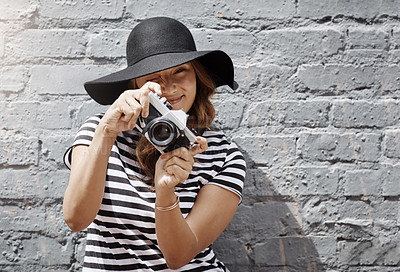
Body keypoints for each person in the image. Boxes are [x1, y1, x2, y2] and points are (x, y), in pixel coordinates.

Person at [63, 17, 246, 271]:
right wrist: (107, 130)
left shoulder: (224, 154)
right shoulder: (102, 129)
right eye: (154, 76)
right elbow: (76, 219)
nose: (169, 87)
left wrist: (166, 190)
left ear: (197, 76)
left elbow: (179, 256)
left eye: (180, 71)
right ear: (136, 84)